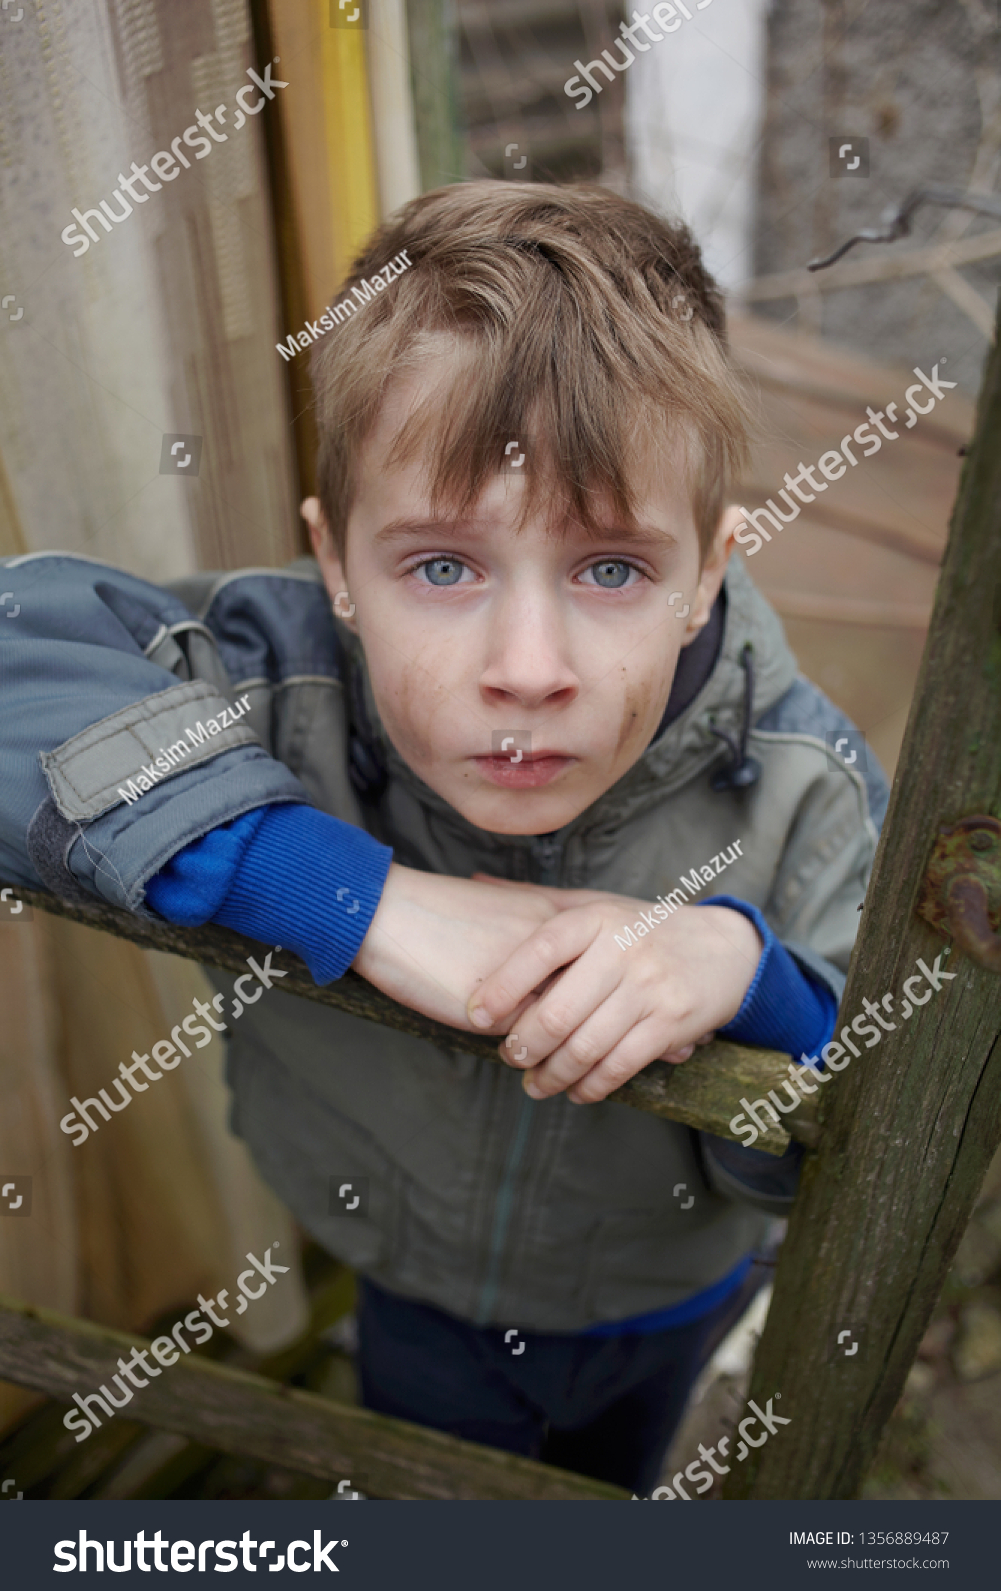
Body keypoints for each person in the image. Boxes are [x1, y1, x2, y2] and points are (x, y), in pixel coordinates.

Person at [0, 182, 886, 1495]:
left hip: (667, 1307)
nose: (525, 671)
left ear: (708, 568)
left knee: (603, 1500)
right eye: (441, 566)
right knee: (438, 1505)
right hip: (406, 1286)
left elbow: (857, 1147)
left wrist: (744, 977)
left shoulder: (808, 790)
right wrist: (357, 898)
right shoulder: (268, 679)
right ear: (337, 565)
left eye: (608, 570)